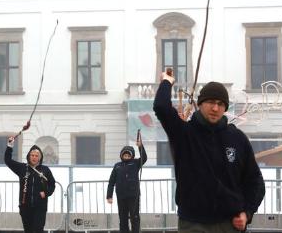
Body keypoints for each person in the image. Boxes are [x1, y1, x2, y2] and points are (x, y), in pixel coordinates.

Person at [154, 71, 265, 232]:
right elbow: (161, 107)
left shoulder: (237, 138)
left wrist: (247, 213)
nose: (215, 108)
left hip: (230, 224)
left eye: (220, 104)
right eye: (211, 102)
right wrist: (167, 81)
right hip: (194, 224)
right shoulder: (184, 134)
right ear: (200, 104)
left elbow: (255, 181)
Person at [4, 138, 55, 233]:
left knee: (38, 230)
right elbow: (7, 161)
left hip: (40, 208)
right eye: (32, 155)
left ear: (40, 158)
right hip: (25, 207)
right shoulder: (22, 168)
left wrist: (46, 193)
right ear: (29, 156)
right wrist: (9, 146)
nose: (34, 157)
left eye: (36, 155)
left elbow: (52, 184)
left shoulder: (45, 170)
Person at [106, 137, 147, 233]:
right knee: (123, 218)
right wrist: (109, 196)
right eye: (125, 155)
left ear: (132, 156)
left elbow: (144, 158)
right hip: (121, 196)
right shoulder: (117, 166)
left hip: (134, 196)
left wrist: (140, 147)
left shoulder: (135, 163)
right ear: (121, 155)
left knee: (135, 217)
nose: (127, 157)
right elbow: (111, 182)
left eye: (129, 155)